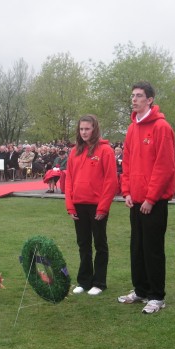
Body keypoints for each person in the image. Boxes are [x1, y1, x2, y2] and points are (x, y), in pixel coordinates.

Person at [118, 81, 175, 314]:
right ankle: (141, 290)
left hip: (154, 201)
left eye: (139, 96)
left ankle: (157, 296)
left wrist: (151, 198)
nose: (134, 99)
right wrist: (128, 192)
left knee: (153, 249)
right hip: (136, 199)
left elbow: (164, 167)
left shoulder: (162, 127)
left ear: (150, 99)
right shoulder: (132, 128)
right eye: (133, 95)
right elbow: (128, 163)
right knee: (137, 247)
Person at [65, 115, 117, 296]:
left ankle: (99, 282)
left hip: (97, 205)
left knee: (100, 244)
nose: (84, 132)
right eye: (81, 129)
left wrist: (103, 207)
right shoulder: (74, 151)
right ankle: (84, 280)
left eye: (87, 129)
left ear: (94, 129)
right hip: (78, 204)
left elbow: (111, 181)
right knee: (83, 244)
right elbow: (69, 179)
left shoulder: (105, 150)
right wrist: (70, 206)